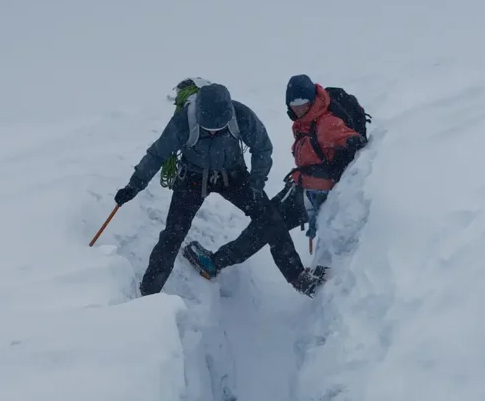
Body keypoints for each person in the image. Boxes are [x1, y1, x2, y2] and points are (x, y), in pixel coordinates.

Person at [114, 81, 318, 297]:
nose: (212, 133)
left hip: (233, 176)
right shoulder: (185, 120)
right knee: (172, 235)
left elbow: (262, 147)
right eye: (208, 129)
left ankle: (298, 277)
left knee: (271, 220)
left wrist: (257, 182)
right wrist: (134, 185)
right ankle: (148, 294)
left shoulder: (241, 115)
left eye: (218, 129)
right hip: (192, 179)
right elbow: (158, 154)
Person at [185, 75, 367, 294]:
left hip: (315, 194)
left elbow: (350, 139)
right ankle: (295, 276)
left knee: (266, 227)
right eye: (294, 106)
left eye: (303, 104)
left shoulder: (326, 123)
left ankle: (217, 263)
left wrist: (350, 144)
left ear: (312, 100)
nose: (299, 109)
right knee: (267, 225)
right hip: (304, 187)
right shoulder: (312, 117)